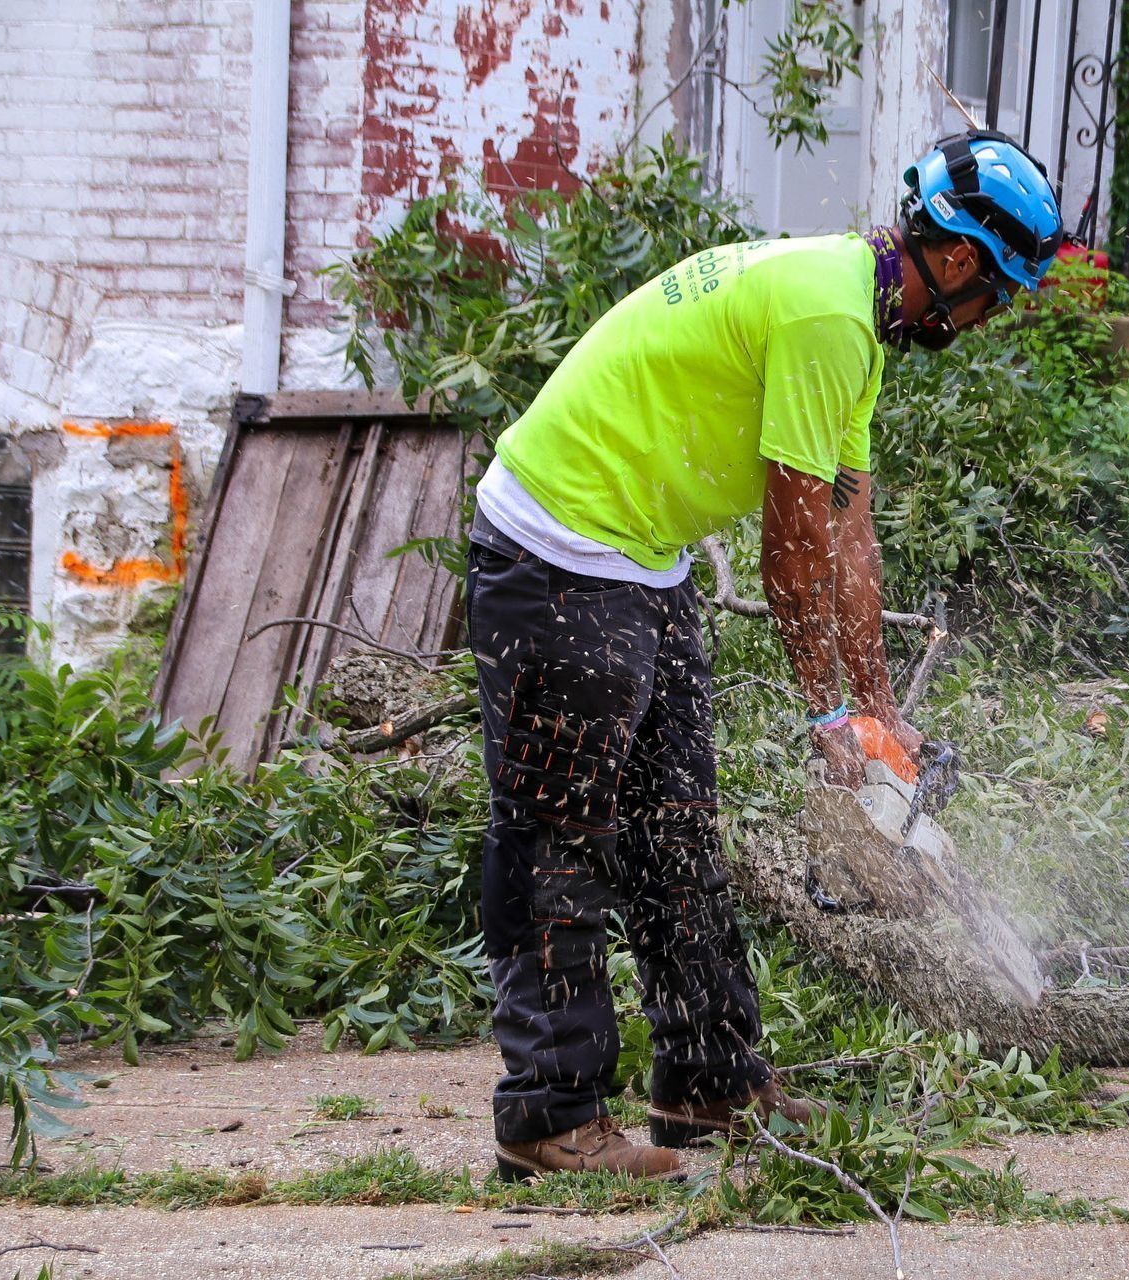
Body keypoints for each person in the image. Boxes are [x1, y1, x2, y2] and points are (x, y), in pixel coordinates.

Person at [465, 130, 1065, 1181]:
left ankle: (707, 1086)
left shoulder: (859, 320)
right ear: (962, 262)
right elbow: (789, 551)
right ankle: (550, 1116)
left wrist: (881, 712)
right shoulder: (831, 313)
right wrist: (823, 715)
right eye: (997, 295)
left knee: (677, 830)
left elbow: (850, 531)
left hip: (636, 558)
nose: (987, 319)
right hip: (556, 546)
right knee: (561, 837)